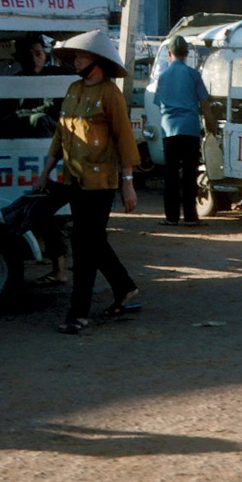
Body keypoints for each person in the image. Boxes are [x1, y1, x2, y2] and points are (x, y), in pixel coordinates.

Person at [35, 29, 142, 335]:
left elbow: (124, 139)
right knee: (93, 241)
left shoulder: (110, 94)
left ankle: (77, 313)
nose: (77, 60)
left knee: (83, 246)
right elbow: (60, 134)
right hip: (72, 177)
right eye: (76, 56)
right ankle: (125, 288)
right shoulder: (73, 89)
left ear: (97, 61)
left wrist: (128, 182)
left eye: (81, 56)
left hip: (101, 183)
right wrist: (46, 171)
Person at [0, 33, 73, 285]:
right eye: (29, 54)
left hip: (52, 162)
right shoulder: (15, 84)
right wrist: (32, 117)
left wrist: (32, 117)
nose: (34, 59)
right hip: (21, 161)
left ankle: (60, 269)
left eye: (39, 53)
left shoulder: (56, 79)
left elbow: (57, 119)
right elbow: (4, 121)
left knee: (48, 214)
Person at [154, 34, 218, 226]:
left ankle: (171, 217)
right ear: (186, 54)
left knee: (171, 175)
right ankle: (191, 217)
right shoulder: (193, 75)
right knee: (190, 174)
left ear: (169, 53)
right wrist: (211, 126)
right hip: (190, 130)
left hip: (170, 131)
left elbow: (159, 103)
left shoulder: (163, 77)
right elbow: (205, 105)